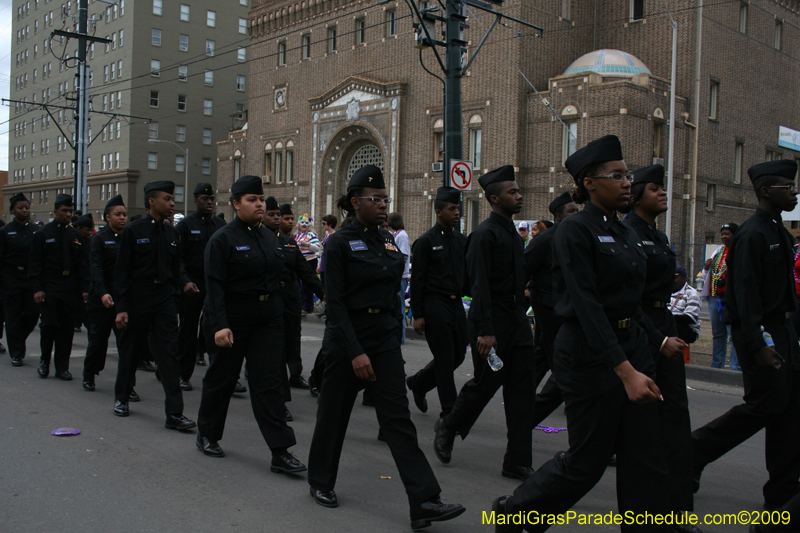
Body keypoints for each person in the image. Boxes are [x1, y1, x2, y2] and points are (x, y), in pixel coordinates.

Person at [492, 135, 672, 533]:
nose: (628, 182)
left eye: (628, 175)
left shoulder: (624, 232)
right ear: (590, 182)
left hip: (632, 350)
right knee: (587, 462)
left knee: (644, 457)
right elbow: (588, 306)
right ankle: (516, 511)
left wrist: (656, 342)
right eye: (618, 176)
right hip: (591, 358)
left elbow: (631, 301)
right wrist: (624, 371)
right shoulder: (574, 231)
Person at [307, 165, 465, 529]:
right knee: (333, 416)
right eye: (374, 199)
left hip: (383, 339)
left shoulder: (387, 240)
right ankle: (320, 482)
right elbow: (338, 305)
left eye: (385, 200)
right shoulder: (341, 243)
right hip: (349, 342)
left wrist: (394, 333)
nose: (382, 205)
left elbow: (393, 295)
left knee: (398, 420)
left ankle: (425, 500)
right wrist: (355, 351)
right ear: (354, 202)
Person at [691, 160, 800, 512]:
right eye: (788, 186)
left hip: (784, 332)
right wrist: (759, 345)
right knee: (764, 407)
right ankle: (695, 451)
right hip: (764, 335)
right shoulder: (753, 234)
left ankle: (780, 499)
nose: (795, 191)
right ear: (767, 191)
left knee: (788, 416)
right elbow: (746, 295)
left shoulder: (780, 233)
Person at [196, 176, 305, 474]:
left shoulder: (270, 238)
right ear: (235, 204)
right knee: (222, 380)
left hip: (267, 320)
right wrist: (220, 325)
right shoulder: (222, 240)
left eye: (261, 199)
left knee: (268, 384)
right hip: (232, 321)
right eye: (251, 200)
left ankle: (280, 451)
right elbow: (214, 287)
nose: (259, 204)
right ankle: (207, 434)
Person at [433, 165, 535, 482]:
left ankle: (517, 461)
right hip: (491, 323)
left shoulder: (514, 235)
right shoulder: (483, 235)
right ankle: (449, 426)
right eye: (512, 192)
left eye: (518, 191)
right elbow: (479, 288)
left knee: (522, 393)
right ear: (494, 198)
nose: (519, 196)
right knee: (485, 385)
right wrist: (487, 331)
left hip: (517, 322)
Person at [624, 164, 696, 533]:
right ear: (636, 195)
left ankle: (678, 513)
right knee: (645, 437)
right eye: (654, 188)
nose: (662, 193)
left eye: (662, 188)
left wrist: (675, 330)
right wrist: (659, 338)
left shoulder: (660, 236)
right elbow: (629, 300)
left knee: (675, 426)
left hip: (665, 329)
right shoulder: (626, 233)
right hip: (643, 336)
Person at [112, 180, 196, 431]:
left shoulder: (172, 232)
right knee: (131, 351)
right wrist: (122, 307)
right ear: (152, 201)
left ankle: (174, 413)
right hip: (138, 297)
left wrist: (184, 283)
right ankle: (122, 398)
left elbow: (176, 267)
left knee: (168, 355)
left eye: (172, 199)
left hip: (164, 299)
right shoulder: (133, 230)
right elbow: (122, 272)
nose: (172, 203)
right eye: (167, 199)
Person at [406, 187, 468, 417]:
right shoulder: (426, 242)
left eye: (458, 208)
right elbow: (418, 281)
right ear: (439, 212)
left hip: (455, 304)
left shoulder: (461, 240)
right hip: (434, 304)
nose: (457, 213)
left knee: (459, 355)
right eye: (452, 209)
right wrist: (418, 314)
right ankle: (449, 411)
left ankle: (419, 383)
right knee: (444, 359)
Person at [262, 196, 323, 417]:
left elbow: (305, 272)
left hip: (289, 299)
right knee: (273, 350)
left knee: (290, 340)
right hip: (267, 301)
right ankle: (277, 401)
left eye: (280, 215)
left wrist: (324, 294)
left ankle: (291, 379)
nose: (277, 219)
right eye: (273, 215)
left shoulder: (288, 243)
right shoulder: (258, 239)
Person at [524, 192, 580, 429]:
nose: (576, 215)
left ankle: (524, 403)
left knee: (545, 356)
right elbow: (525, 269)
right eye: (571, 211)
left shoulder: (576, 236)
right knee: (566, 366)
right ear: (558, 216)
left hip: (568, 310)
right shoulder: (546, 239)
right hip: (549, 310)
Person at [29, 193, 89, 380]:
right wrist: (37, 288)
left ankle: (62, 366)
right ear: (55, 211)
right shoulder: (43, 234)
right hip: (50, 286)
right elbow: (35, 263)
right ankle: (44, 362)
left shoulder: (75, 235)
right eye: (64, 211)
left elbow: (82, 265)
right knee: (49, 326)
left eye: (70, 211)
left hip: (69, 287)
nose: (68, 214)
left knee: (66, 329)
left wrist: (84, 289)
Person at [175, 183, 226, 389]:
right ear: (195, 201)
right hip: (191, 285)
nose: (210, 203)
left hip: (212, 284)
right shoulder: (185, 226)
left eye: (212, 199)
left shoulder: (220, 226)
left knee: (216, 330)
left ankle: (222, 375)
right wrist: (185, 281)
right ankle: (181, 373)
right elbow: (177, 259)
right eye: (205, 199)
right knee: (187, 331)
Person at [82, 195, 128, 392]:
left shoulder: (129, 238)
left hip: (122, 298)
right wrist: (102, 293)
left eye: (125, 214)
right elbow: (96, 269)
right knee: (98, 341)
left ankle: (127, 384)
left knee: (126, 344)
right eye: (117, 214)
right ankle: (89, 373)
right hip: (101, 298)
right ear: (107, 217)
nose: (122, 218)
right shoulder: (98, 239)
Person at [0, 193, 39, 366]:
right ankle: (16, 352)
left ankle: (18, 339)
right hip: (11, 278)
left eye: (26, 208)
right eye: (20, 208)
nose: (24, 211)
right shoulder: (5, 231)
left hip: (30, 278)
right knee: (13, 317)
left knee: (32, 314)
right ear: (12, 211)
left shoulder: (35, 231)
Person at [701, 223, 740, 370]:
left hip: (730, 299)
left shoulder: (739, 251)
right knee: (718, 334)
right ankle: (717, 365)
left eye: (727, 234)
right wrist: (706, 267)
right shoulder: (718, 252)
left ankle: (735, 366)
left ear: (735, 235)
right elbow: (708, 276)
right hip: (714, 296)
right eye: (722, 234)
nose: (724, 236)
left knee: (733, 335)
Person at [387, 212, 411, 344]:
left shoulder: (402, 236)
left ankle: (401, 335)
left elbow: (403, 256)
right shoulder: (396, 235)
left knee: (400, 305)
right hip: (397, 275)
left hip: (400, 276)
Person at [294, 213, 321, 315]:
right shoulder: (297, 235)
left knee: (306, 285)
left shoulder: (311, 235)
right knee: (298, 284)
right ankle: (300, 305)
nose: (304, 224)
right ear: (299, 224)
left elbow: (317, 248)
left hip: (309, 261)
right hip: (299, 262)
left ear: (309, 224)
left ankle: (307, 307)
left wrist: (308, 244)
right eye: (302, 223)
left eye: (306, 223)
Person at [73, 216, 94, 333]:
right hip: (74, 283)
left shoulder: (91, 242)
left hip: (86, 282)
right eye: (87, 230)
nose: (90, 233)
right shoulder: (74, 240)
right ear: (79, 228)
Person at [671, 265, 701, 345]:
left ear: (684, 279)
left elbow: (690, 318)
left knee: (668, 326)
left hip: (688, 330)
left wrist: (668, 317)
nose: (671, 280)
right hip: (671, 323)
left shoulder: (692, 293)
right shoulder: (667, 291)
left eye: (675, 277)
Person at [314, 214, 337, 318]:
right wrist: (319, 265)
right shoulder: (326, 235)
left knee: (328, 286)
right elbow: (322, 251)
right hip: (323, 262)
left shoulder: (334, 236)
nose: (323, 225)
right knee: (323, 286)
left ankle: (329, 308)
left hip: (329, 263)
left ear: (330, 224)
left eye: (324, 223)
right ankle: (325, 306)